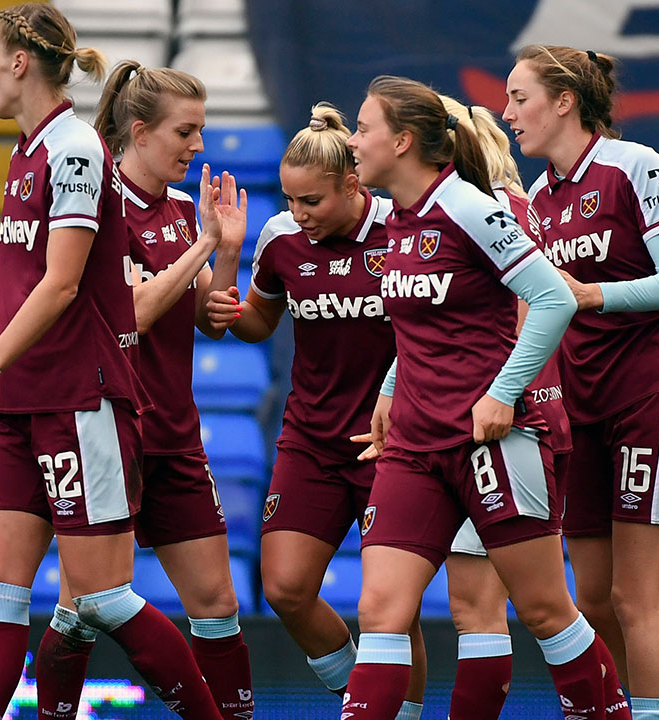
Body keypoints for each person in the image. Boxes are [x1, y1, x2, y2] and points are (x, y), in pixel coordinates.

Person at [0, 6, 220, 719]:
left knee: (100, 596)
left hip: (78, 397)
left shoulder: (74, 149)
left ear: (22, 62)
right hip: (23, 404)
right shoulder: (29, 149)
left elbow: (62, 283)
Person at [340, 75, 627, 720]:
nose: (353, 141)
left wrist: (503, 394)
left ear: (405, 140)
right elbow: (419, 327)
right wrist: (389, 390)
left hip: (492, 442)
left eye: (364, 128)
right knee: (380, 610)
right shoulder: (396, 221)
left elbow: (553, 299)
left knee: (545, 610)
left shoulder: (470, 207)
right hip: (414, 445)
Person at [33, 60, 254, 720]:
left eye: (202, 131)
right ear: (140, 131)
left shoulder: (188, 210)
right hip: (106, 431)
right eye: (186, 132)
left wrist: (226, 266)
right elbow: (131, 312)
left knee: (217, 603)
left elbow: (203, 317)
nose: (198, 147)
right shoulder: (97, 205)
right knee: (81, 609)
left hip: (175, 434)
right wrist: (204, 249)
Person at [503, 45, 659, 720]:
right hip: (580, 409)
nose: (509, 115)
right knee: (591, 600)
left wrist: (591, 295)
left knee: (634, 598)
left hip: (650, 391)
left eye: (520, 98)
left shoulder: (635, 165)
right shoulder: (536, 197)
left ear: (565, 101)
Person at [206, 103, 429, 720]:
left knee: (391, 606)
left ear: (353, 185)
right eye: (290, 200)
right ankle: (366, 700)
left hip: (394, 442)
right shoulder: (280, 240)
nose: (298, 215)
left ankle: (389, 711)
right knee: (285, 587)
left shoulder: (403, 232)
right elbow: (255, 322)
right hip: (310, 440)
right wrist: (225, 266)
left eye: (312, 202)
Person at [430, 92, 580, 720]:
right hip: (526, 420)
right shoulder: (509, 203)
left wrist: (500, 397)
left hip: (502, 428)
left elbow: (530, 315)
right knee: (498, 608)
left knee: (530, 609)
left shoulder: (476, 210)